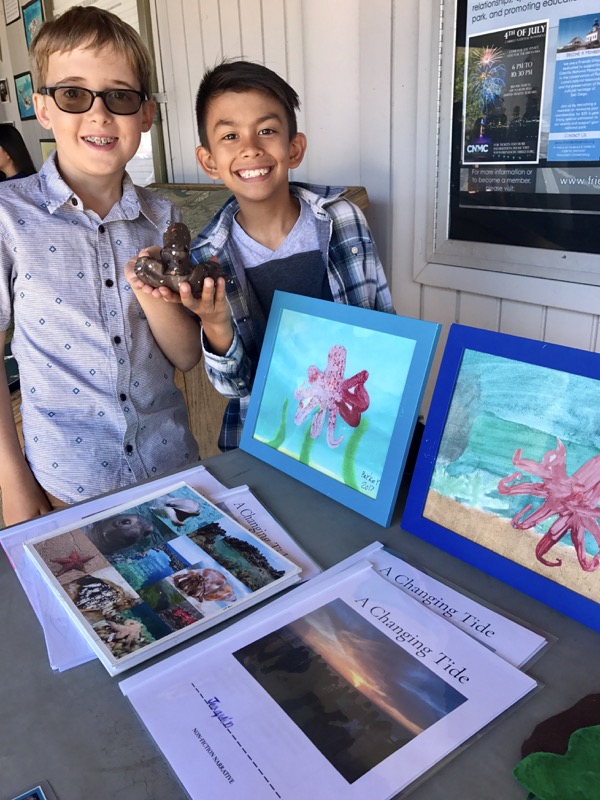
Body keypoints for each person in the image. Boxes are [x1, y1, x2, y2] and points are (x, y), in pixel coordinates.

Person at [0, 6, 201, 527]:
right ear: (43, 108)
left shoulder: (164, 219)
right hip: (68, 487)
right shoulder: (8, 217)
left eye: (120, 96)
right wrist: (14, 487)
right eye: (73, 94)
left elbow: (185, 356)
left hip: (172, 471)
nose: (99, 114)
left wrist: (152, 291)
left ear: (146, 114)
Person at [183, 59, 394, 451]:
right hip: (264, 439)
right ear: (209, 161)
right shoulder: (207, 258)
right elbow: (234, 386)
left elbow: (384, 328)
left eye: (266, 130)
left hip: (356, 435)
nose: (250, 148)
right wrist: (214, 323)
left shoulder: (344, 220)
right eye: (230, 135)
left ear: (294, 148)